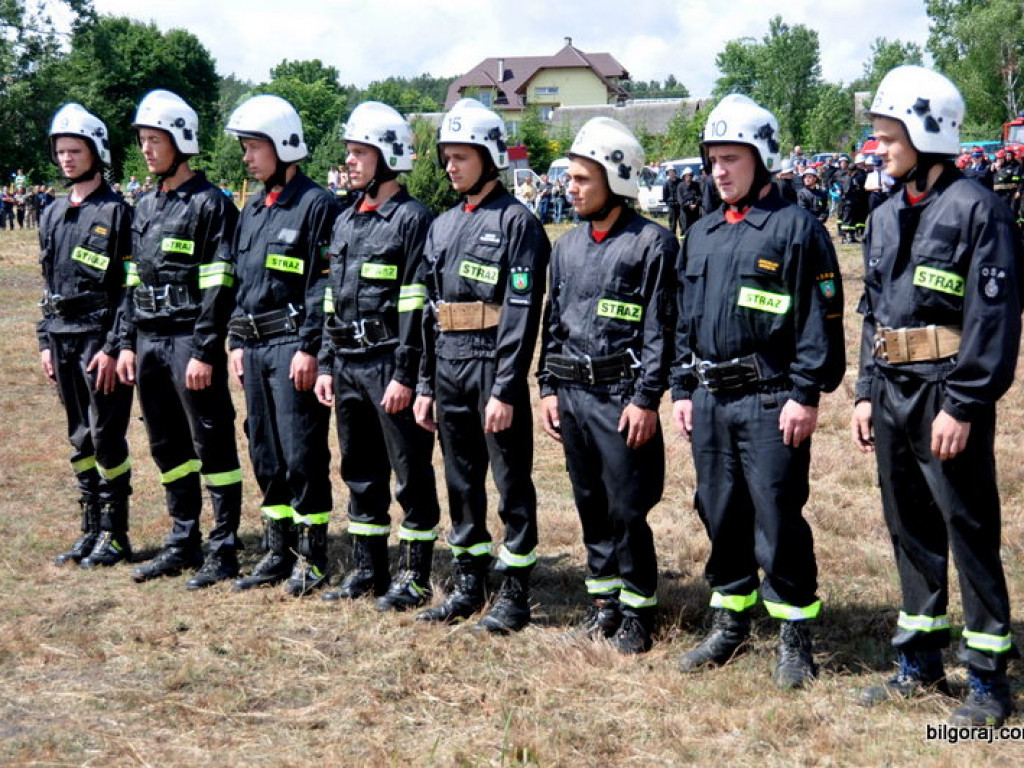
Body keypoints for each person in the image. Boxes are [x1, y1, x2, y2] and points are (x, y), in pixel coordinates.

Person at [852, 66, 1020, 727]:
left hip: (947, 397)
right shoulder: (885, 214)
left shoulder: (979, 210)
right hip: (891, 393)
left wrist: (965, 404)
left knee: (968, 529)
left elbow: (994, 321)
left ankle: (987, 680)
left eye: (888, 135)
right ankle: (919, 659)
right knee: (910, 529)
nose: (878, 148)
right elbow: (874, 312)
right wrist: (865, 390)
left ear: (926, 133)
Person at [672, 94, 845, 688]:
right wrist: (680, 388)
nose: (718, 171)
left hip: (772, 399)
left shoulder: (797, 231)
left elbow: (820, 322)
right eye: (712, 159)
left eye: (731, 159)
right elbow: (681, 321)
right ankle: (731, 616)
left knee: (776, 513)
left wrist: (806, 393)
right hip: (711, 399)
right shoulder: (701, 234)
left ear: (761, 157)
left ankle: (795, 632)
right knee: (717, 508)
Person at [537, 117, 676, 653]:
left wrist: (646, 399)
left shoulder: (653, 245)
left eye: (581, 179)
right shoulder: (565, 246)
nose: (570, 188)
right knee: (590, 504)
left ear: (616, 179)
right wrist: (548, 386)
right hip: (571, 398)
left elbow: (661, 330)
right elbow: (555, 323)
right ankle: (604, 604)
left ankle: (640, 609)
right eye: (570, 179)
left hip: (620, 400)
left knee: (626, 508)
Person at [413, 98, 550, 633]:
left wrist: (506, 387)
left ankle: (515, 591)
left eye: (461, 156)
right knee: (461, 477)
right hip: (447, 365)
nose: (450, 165)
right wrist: (425, 382)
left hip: (494, 366)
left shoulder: (519, 224)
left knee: (511, 479)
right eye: (447, 155)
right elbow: (429, 312)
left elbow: (521, 313)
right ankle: (469, 582)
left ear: (490, 156)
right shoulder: (443, 225)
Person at [312, 102, 441, 610]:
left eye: (360, 152)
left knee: (410, 471)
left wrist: (407, 374)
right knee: (359, 470)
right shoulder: (344, 221)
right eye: (349, 152)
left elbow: (417, 305)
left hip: (390, 364)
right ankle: (368, 569)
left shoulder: (413, 220)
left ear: (389, 156)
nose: (351, 162)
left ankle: (414, 576)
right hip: (346, 363)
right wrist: (325, 362)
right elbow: (330, 299)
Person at [113, 90, 243, 589]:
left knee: (211, 439)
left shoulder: (212, 205)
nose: (146, 150)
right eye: (143, 140)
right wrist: (126, 342)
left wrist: (207, 348)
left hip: (190, 338)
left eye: (155, 140)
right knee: (166, 442)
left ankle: (224, 544)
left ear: (181, 141)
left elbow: (219, 284)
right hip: (148, 339)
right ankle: (183, 538)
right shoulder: (143, 205)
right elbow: (132, 280)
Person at [224, 94, 340, 595]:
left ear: (283, 146)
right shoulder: (251, 208)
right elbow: (238, 282)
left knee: (301, 454)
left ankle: (312, 557)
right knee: (265, 453)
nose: (247, 156)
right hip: (252, 348)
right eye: (246, 147)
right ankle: (277, 550)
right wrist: (232, 338)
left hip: (293, 345)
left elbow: (322, 284)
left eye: (254, 146)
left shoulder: (317, 205)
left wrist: (311, 346)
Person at [39, 103, 134, 568]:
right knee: (79, 437)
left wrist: (116, 348)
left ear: (96, 153)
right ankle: (90, 527)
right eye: (60, 151)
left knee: (106, 435)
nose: (66, 159)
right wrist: (44, 342)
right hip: (61, 337)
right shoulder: (52, 212)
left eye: (75, 150)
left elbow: (127, 289)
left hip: (99, 338)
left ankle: (116, 534)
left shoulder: (119, 214)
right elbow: (47, 285)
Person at [676, 167, 701, 234]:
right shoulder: (680, 186)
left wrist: (695, 204)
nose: (689, 177)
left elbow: (699, 196)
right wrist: (688, 206)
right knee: (685, 228)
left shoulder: (696, 185)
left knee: (695, 227)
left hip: (694, 211)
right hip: (685, 212)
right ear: (684, 176)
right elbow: (679, 199)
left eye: (690, 175)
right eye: (687, 175)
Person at [662, 166, 682, 235]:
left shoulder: (680, 181)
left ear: (674, 172)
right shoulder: (666, 184)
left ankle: (683, 240)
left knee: (683, 223)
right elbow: (664, 197)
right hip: (672, 208)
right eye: (669, 172)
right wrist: (670, 203)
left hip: (681, 207)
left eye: (672, 171)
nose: (671, 173)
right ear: (667, 173)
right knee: (672, 225)